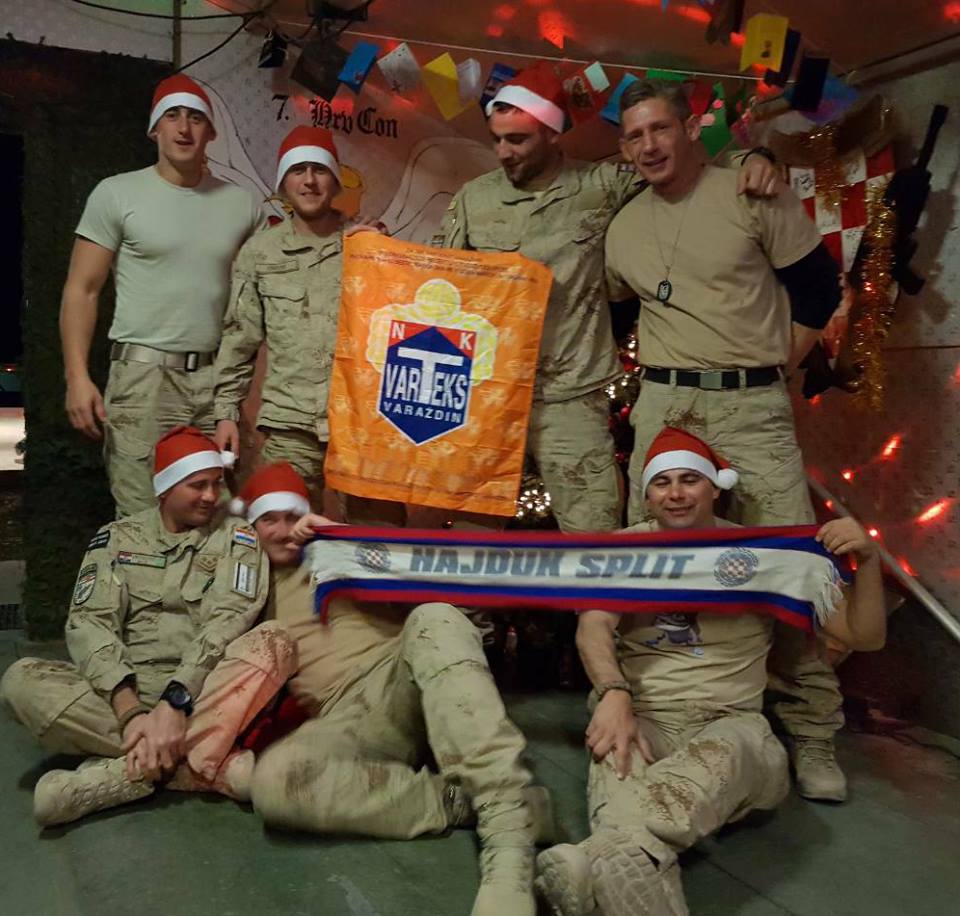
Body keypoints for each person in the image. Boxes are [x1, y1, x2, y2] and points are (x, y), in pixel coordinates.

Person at [605, 79, 848, 800]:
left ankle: (812, 734)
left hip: (749, 405)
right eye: (634, 135)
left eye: (660, 129)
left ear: (689, 130)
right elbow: (620, 315)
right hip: (664, 404)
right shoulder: (623, 227)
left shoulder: (749, 193)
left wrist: (779, 362)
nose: (648, 145)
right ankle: (651, 707)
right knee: (652, 563)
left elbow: (819, 287)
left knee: (787, 564)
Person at [534, 427, 885, 916]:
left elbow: (864, 636)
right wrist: (613, 692)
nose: (676, 493)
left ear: (715, 487)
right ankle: (606, 862)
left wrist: (868, 560)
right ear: (647, 495)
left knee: (641, 812)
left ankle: (590, 858)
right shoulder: (624, 550)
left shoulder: (766, 555)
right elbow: (593, 626)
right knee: (627, 824)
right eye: (662, 483)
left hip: (732, 725)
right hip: (643, 717)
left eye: (690, 480)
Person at [440, 62, 779, 534]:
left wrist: (752, 158)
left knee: (594, 535)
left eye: (517, 140)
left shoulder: (601, 186)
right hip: (488, 395)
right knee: (470, 537)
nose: (503, 152)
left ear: (552, 134)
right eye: (496, 139)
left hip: (571, 397)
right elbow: (436, 282)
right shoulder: (473, 199)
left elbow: (687, 169)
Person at [231, 462, 549, 916]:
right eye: (269, 520)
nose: (284, 531)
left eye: (292, 516)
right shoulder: (242, 582)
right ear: (250, 527)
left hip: (406, 675)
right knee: (275, 781)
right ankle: (464, 804)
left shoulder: (338, 551)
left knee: (436, 615)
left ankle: (509, 839)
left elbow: (429, 578)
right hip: (348, 715)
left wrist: (342, 541)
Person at [0, 427, 293, 827]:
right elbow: (90, 623)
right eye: (197, 485)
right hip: (125, 692)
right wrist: (132, 713)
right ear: (165, 489)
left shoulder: (237, 538)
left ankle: (126, 772)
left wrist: (176, 701)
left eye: (216, 483)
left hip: (206, 692)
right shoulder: (116, 538)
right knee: (20, 680)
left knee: (276, 642)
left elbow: (228, 621)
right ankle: (197, 766)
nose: (211, 496)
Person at [61, 75, 263, 516]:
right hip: (143, 380)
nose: (184, 128)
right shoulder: (116, 193)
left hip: (215, 383)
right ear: (155, 128)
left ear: (211, 132)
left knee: (217, 515)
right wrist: (77, 377)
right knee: (142, 515)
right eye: (172, 116)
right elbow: (82, 289)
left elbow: (276, 276)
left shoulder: (242, 204)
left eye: (196, 118)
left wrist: (355, 236)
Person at [213, 126, 399, 525]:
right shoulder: (260, 253)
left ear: (335, 181)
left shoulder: (367, 243)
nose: (309, 181)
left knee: (378, 540)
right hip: (289, 425)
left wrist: (386, 253)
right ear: (283, 183)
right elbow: (239, 338)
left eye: (320, 170)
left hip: (363, 425)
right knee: (283, 533)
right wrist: (226, 412)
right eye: (298, 171)